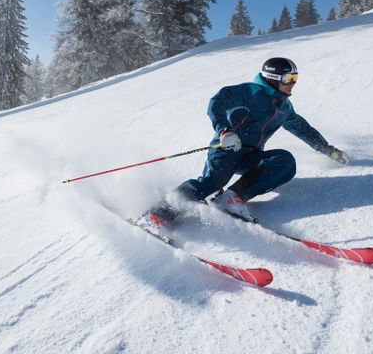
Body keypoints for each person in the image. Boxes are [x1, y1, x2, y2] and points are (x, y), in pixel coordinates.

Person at [138, 57, 349, 231]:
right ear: (274, 78)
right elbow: (217, 102)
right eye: (289, 78)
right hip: (228, 148)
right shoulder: (250, 91)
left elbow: (302, 128)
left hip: (250, 156)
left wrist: (326, 149)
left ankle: (232, 199)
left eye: (296, 78)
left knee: (285, 161)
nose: (293, 83)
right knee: (212, 182)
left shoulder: (284, 107)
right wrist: (224, 130)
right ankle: (157, 214)